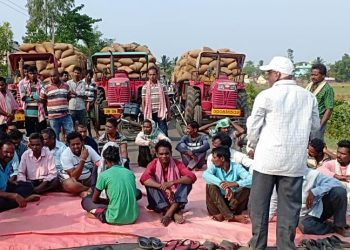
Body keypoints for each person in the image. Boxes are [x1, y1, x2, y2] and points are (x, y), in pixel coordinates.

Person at [247, 56, 320, 250]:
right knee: (289, 209)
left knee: (259, 206)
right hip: (294, 162)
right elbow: (315, 128)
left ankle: (257, 245)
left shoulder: (266, 96)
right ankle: (286, 245)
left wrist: (251, 145)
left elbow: (254, 126)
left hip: (267, 160)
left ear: (278, 74)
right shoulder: (308, 97)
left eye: (269, 73)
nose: (268, 76)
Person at [269, 168, 350, 237]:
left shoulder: (312, 174)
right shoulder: (282, 178)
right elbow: (274, 200)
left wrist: (315, 191)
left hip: (317, 209)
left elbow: (337, 183)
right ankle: (332, 227)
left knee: (339, 191)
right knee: (306, 227)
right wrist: (267, 218)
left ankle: (339, 226)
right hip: (302, 215)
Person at [140, 140, 197, 227]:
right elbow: (144, 179)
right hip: (158, 201)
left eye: (167, 153)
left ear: (171, 153)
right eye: (161, 154)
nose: (164, 156)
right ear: (157, 154)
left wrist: (172, 182)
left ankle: (169, 213)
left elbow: (192, 176)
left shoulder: (177, 164)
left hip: (175, 199)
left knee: (187, 182)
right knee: (150, 184)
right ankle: (171, 212)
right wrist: (162, 187)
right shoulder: (153, 164)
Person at [81, 146, 140, 224]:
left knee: (85, 200)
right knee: (138, 192)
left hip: (113, 218)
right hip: (133, 217)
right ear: (119, 159)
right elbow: (134, 194)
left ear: (105, 161)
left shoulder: (104, 175)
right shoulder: (129, 173)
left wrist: (108, 201)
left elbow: (95, 199)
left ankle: (99, 213)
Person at [203, 147, 251, 223]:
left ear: (222, 158)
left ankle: (228, 213)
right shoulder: (214, 167)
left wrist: (236, 183)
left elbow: (251, 179)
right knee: (210, 185)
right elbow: (205, 175)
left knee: (246, 187)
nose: (212, 160)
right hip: (217, 204)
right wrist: (224, 186)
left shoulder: (236, 167)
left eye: (214, 157)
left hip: (232, 203)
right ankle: (231, 216)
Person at [0, 140, 39, 212]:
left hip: (4, 189)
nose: (9, 155)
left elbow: (3, 177)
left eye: (12, 153)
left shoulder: (7, 162)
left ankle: (15, 200)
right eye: (6, 152)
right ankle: (25, 199)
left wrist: (9, 182)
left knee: (28, 185)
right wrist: (14, 195)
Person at [60, 132, 101, 196]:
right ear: (68, 144)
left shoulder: (88, 149)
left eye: (78, 144)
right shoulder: (65, 155)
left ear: (82, 142)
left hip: (89, 179)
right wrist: (82, 160)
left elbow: (100, 163)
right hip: (75, 181)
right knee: (69, 185)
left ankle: (83, 192)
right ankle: (91, 190)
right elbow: (74, 176)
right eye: (73, 145)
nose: (76, 147)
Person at [318, 140, 350, 215]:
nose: (338, 155)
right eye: (338, 152)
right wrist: (337, 176)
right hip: (332, 201)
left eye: (343, 154)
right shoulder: (331, 164)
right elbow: (319, 170)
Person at [40, 70, 74, 139]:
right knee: (55, 137)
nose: (53, 78)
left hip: (66, 115)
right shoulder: (45, 87)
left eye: (54, 76)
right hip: (53, 117)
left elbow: (68, 96)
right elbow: (42, 100)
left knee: (71, 134)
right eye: (51, 76)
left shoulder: (66, 86)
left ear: (59, 76)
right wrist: (47, 110)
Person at [306, 64, 334, 140]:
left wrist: (320, 125)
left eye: (316, 75)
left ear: (323, 75)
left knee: (315, 145)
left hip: (318, 120)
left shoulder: (327, 89)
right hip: (307, 120)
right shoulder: (309, 86)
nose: (313, 77)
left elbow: (329, 108)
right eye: (312, 74)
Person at [142, 67, 170, 136]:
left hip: (160, 113)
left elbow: (167, 100)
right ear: (148, 75)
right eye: (150, 74)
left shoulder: (162, 86)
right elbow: (143, 102)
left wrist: (169, 112)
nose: (152, 76)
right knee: (151, 134)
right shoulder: (145, 87)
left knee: (163, 132)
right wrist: (144, 114)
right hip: (150, 114)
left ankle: (164, 146)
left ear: (157, 75)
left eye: (154, 74)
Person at [19, 66, 47, 136]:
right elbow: (23, 98)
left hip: (39, 112)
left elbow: (42, 98)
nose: (33, 75)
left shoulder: (42, 84)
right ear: (27, 74)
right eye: (31, 73)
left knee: (41, 133)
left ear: (37, 73)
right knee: (30, 133)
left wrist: (30, 96)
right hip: (28, 113)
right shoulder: (23, 84)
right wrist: (36, 97)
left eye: (34, 73)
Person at [84, 70, 98, 138]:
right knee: (87, 120)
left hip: (91, 103)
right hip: (84, 103)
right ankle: (90, 133)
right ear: (85, 75)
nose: (89, 77)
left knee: (93, 118)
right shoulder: (82, 83)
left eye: (90, 76)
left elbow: (95, 93)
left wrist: (94, 101)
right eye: (88, 76)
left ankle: (97, 132)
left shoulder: (93, 83)